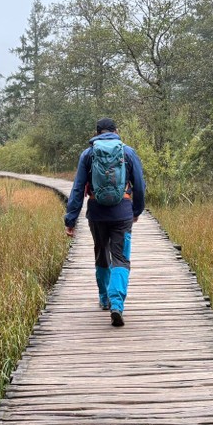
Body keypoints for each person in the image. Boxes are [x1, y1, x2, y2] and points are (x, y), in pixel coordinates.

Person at [64, 117, 146, 327]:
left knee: (102, 253)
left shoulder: (88, 154)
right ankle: (117, 303)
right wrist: (136, 210)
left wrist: (70, 219)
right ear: (116, 131)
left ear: (97, 133)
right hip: (122, 214)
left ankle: (104, 298)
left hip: (97, 213)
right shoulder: (128, 152)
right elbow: (140, 185)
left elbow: (77, 188)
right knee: (121, 258)